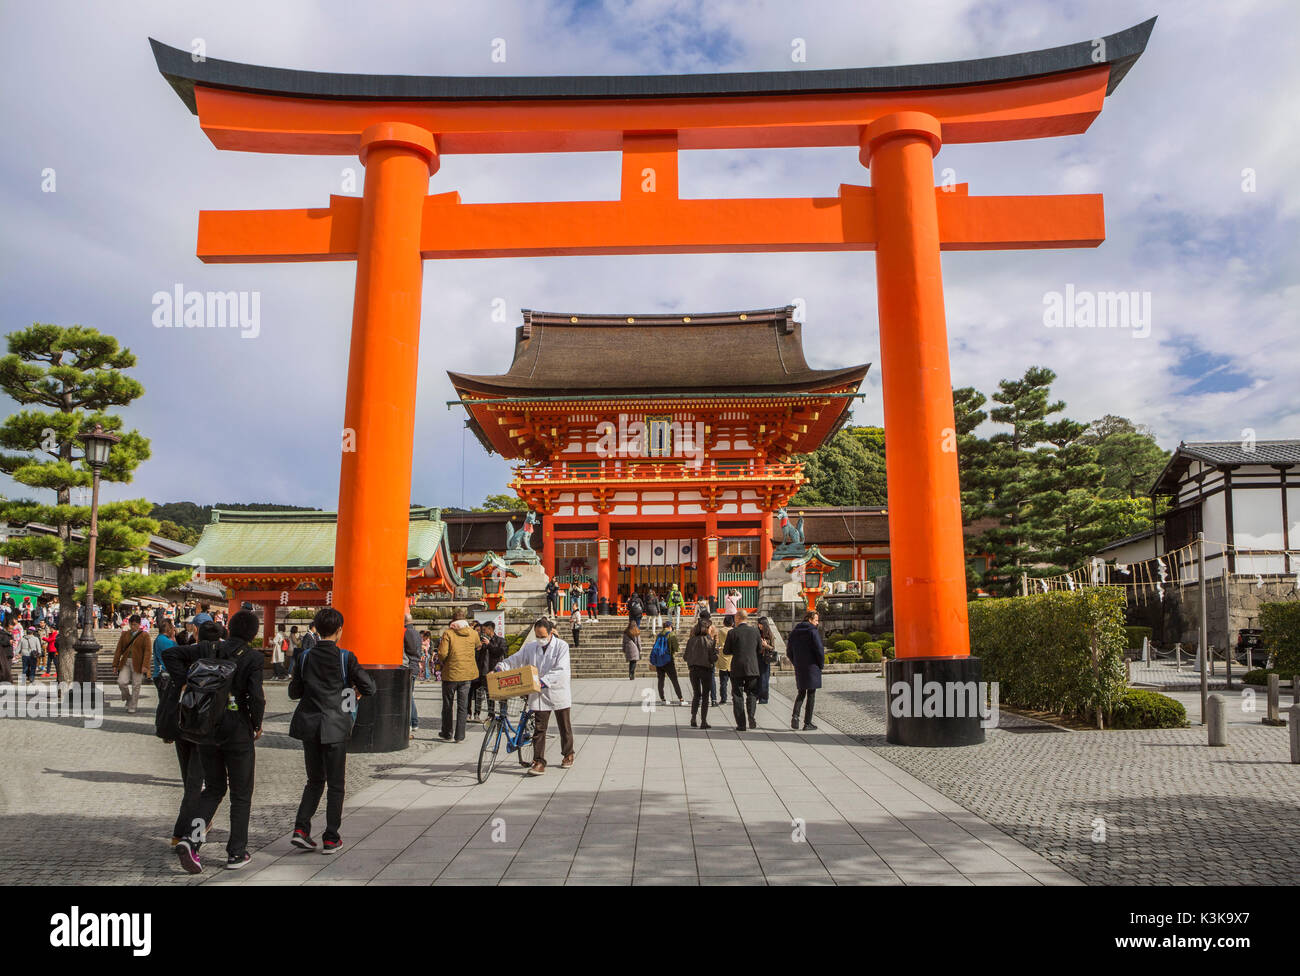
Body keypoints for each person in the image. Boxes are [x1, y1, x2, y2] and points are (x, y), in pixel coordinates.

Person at [165, 609, 265, 873]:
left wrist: (184, 681)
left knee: (213, 788)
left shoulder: (210, 648)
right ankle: (236, 852)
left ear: (229, 628)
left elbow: (172, 654)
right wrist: (257, 723)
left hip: (206, 727)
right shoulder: (253, 657)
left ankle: (191, 839)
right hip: (238, 729)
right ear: (254, 634)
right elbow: (257, 696)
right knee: (241, 793)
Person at [288, 606, 376, 855]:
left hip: (310, 725)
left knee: (314, 780)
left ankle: (301, 830)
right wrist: (352, 693)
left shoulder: (304, 657)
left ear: (316, 629)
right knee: (336, 784)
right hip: (336, 726)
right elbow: (369, 687)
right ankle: (331, 836)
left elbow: (294, 692)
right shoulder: (345, 657)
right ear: (339, 631)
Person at [495, 618, 573, 775]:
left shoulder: (561, 646)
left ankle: (568, 754)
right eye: (537, 636)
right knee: (539, 728)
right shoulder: (531, 647)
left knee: (564, 726)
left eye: (543, 636)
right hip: (538, 693)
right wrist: (501, 666)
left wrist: (543, 681)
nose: (540, 639)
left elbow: (561, 669)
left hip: (557, 690)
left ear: (551, 633)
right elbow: (515, 659)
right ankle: (539, 761)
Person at [436, 609, 478, 742]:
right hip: (467, 674)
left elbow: (442, 653)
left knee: (447, 705)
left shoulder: (448, 633)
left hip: (451, 674)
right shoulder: (473, 633)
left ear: (453, 621)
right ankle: (460, 735)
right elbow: (478, 645)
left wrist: (444, 662)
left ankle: (447, 732)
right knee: (463, 705)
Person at [724, 610, 763, 732]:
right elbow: (759, 649)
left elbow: (726, 651)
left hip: (737, 667)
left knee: (737, 695)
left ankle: (741, 724)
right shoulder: (755, 631)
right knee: (752, 693)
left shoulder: (732, 633)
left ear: (737, 618)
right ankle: (751, 716)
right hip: (752, 667)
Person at [786, 610, 825, 731]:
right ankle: (807, 722)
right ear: (810, 619)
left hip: (800, 666)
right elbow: (819, 649)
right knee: (811, 694)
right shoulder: (812, 632)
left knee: (801, 692)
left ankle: (795, 716)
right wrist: (821, 664)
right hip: (812, 665)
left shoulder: (795, 632)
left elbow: (789, 651)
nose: (817, 623)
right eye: (816, 620)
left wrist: (795, 662)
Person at [683, 614, 718, 729]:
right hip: (706, 669)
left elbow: (685, 657)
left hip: (693, 670)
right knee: (705, 695)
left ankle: (693, 718)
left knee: (696, 694)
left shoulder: (691, 640)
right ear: (706, 629)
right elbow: (713, 658)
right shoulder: (709, 641)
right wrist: (716, 652)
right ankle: (703, 720)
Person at [112, 615, 152, 712]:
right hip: (126, 661)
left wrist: (145, 665)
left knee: (136, 685)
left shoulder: (145, 635)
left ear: (139, 624)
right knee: (121, 682)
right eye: (131, 624)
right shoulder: (125, 634)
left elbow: (148, 651)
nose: (133, 626)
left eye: (135, 625)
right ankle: (128, 698)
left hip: (138, 662)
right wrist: (115, 664)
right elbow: (118, 650)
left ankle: (133, 706)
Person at [651, 619, 686, 705]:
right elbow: (676, 648)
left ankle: (663, 699)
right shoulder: (671, 634)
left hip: (659, 660)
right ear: (670, 627)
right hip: (668, 660)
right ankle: (681, 699)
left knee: (660, 680)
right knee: (674, 680)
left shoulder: (659, 635)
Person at [480, 621, 509, 720]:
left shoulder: (501, 641)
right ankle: (491, 715)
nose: (483, 632)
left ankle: (503, 717)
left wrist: (489, 645)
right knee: (489, 696)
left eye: (484, 630)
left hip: (497, 672)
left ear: (490, 629)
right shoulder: (482, 641)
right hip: (485, 671)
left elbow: (499, 652)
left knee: (502, 696)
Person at [403, 612, 422, 738]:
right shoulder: (416, 632)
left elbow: (409, 650)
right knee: (410, 695)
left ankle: (411, 722)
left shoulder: (406, 633)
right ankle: (414, 721)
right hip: (415, 665)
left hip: (409, 665)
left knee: (408, 696)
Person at [756, 616, 776, 705]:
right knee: (757, 678)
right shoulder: (756, 632)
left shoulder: (770, 634)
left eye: (760, 624)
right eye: (758, 624)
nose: (759, 626)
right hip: (757, 657)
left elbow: (773, 648)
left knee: (764, 679)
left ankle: (763, 698)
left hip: (765, 658)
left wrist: (765, 644)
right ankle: (756, 696)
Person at [714, 615, 732, 705]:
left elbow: (719, 642)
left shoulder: (721, 631)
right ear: (732, 623)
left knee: (723, 682)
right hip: (733, 658)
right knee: (734, 682)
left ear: (724, 622)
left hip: (723, 657)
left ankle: (723, 698)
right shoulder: (734, 631)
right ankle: (735, 697)